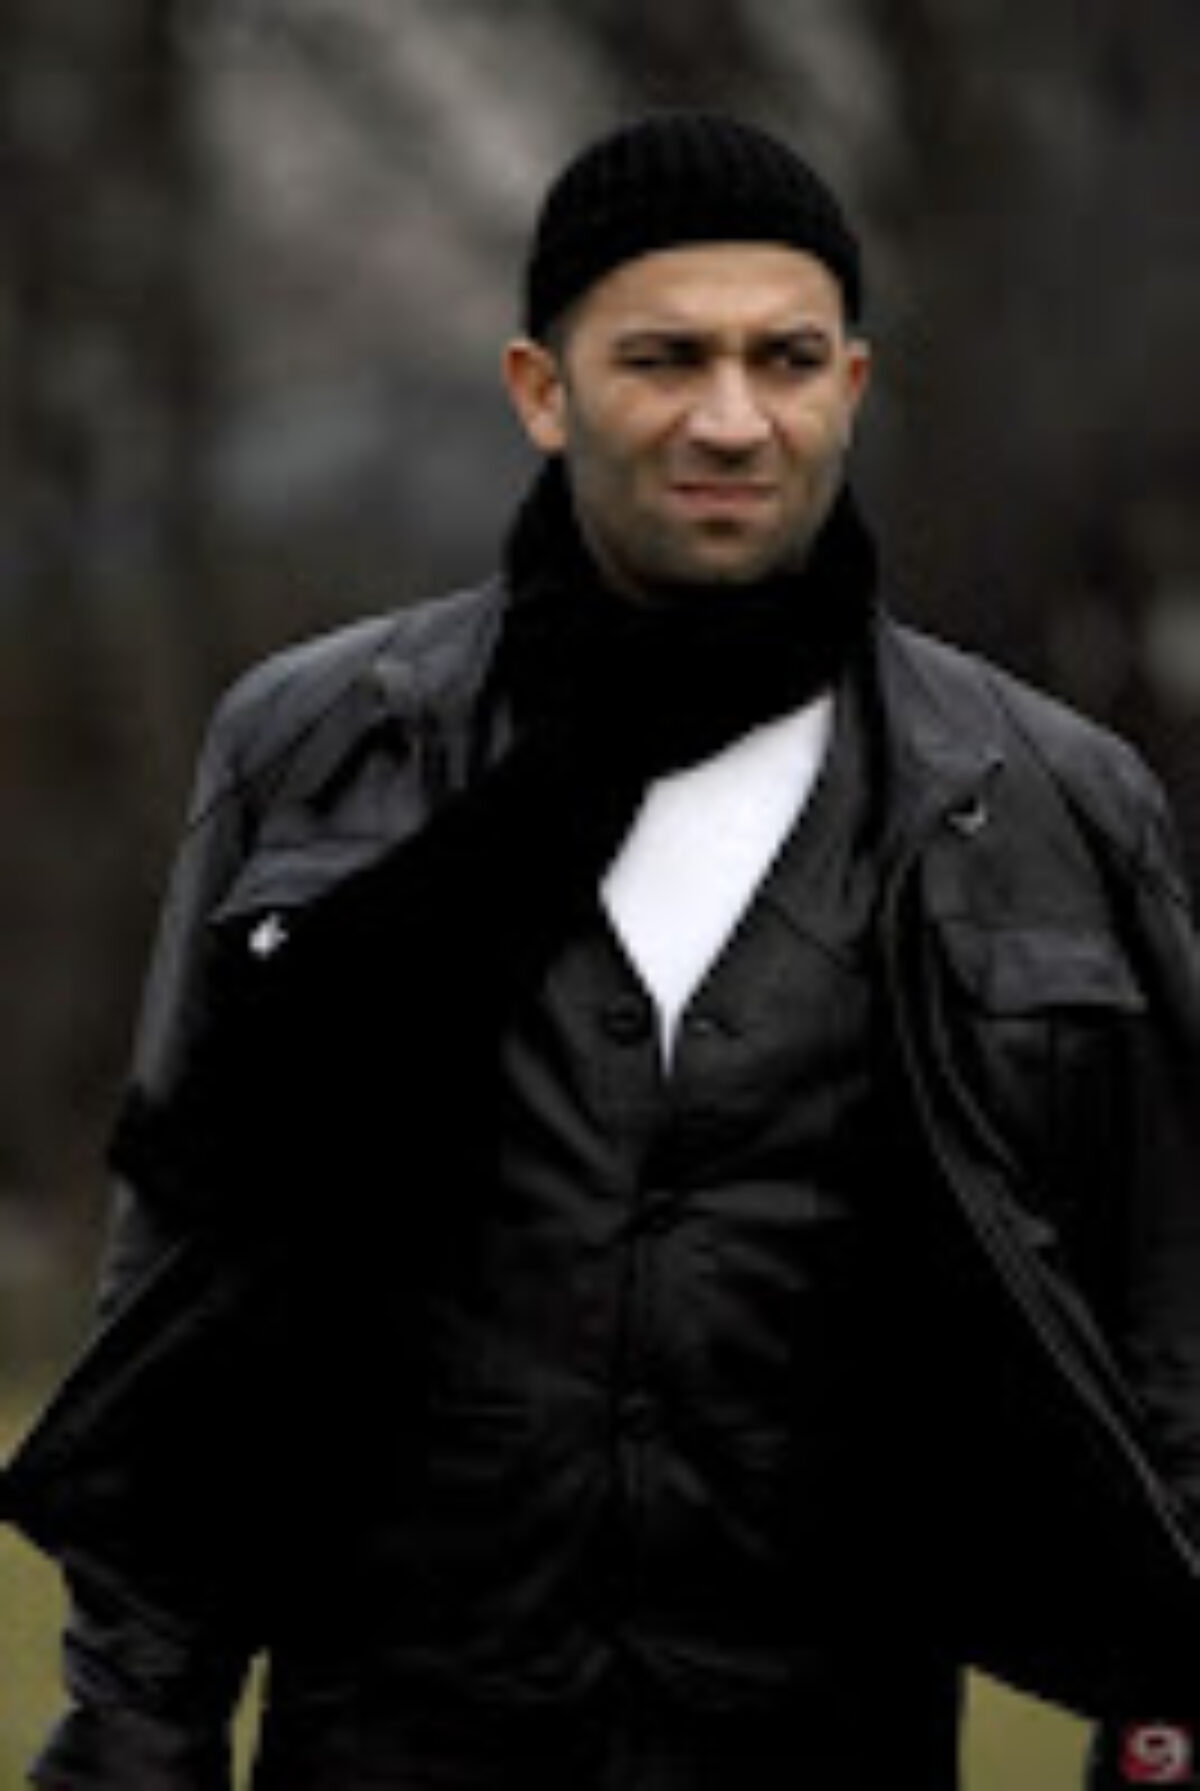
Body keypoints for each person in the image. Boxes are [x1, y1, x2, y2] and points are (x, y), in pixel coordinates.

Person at [3, 109, 1200, 1791]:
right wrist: (137, 1733)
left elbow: (1169, 1321)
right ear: (542, 390)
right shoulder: (322, 748)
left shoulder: (1055, 804)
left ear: (851, 387)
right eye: (665, 358)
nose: (733, 417)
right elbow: (189, 1299)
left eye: (786, 359)